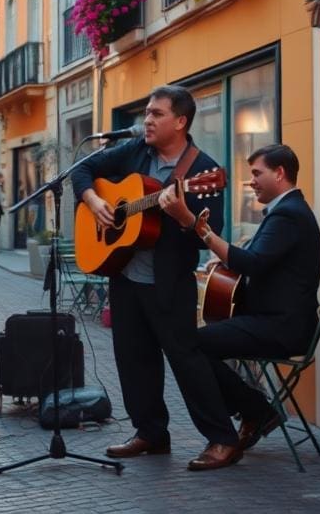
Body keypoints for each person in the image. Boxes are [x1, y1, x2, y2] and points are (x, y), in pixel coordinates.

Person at [72, 84, 227, 469]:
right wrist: (93, 200)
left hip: (169, 283)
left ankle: (222, 438)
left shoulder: (203, 172)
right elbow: (84, 169)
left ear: (181, 121)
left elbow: (212, 232)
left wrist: (184, 217)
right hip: (124, 275)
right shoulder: (137, 150)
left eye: (156, 114)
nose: (147, 120)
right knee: (132, 359)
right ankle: (151, 433)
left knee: (186, 362)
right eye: (147, 113)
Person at [189, 144, 320, 470]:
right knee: (196, 344)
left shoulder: (288, 214)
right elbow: (264, 264)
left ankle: (255, 412)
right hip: (277, 322)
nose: (252, 181)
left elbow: (254, 262)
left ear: (279, 173)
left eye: (257, 173)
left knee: (193, 346)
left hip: (281, 328)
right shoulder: (287, 211)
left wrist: (204, 233)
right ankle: (255, 410)